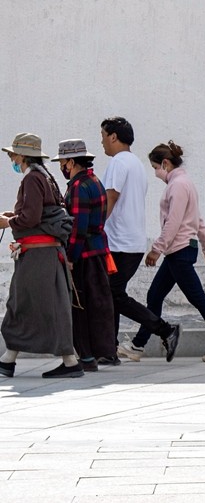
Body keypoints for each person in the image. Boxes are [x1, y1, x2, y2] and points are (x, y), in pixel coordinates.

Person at [125, 141, 205, 362]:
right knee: (155, 295)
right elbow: (198, 221)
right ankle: (138, 345)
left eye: (155, 167)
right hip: (181, 250)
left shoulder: (176, 186)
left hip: (179, 250)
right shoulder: (186, 183)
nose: (156, 172)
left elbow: (173, 222)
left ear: (165, 163)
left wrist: (156, 249)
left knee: (197, 298)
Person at [0, 133, 83, 378]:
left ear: (23, 156)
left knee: (21, 303)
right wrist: (13, 215)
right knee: (43, 305)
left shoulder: (32, 179)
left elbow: (31, 218)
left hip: (38, 256)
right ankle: (67, 361)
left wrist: (7, 222)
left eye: (13, 154)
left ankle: (11, 360)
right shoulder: (45, 177)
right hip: (46, 254)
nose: (12, 159)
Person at [100, 116, 180, 364]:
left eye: (103, 136)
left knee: (112, 295)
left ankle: (165, 329)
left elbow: (110, 198)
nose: (102, 141)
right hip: (132, 242)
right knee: (113, 294)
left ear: (114, 136)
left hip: (118, 243)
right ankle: (109, 350)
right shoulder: (135, 164)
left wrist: (94, 228)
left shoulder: (118, 163)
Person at [52, 139, 117, 371]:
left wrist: (70, 256)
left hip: (84, 254)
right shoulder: (95, 181)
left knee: (80, 306)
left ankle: (87, 357)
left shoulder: (79, 187)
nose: (61, 167)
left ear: (70, 162)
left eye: (62, 162)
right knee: (97, 304)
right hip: (98, 251)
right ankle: (96, 354)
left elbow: (78, 228)